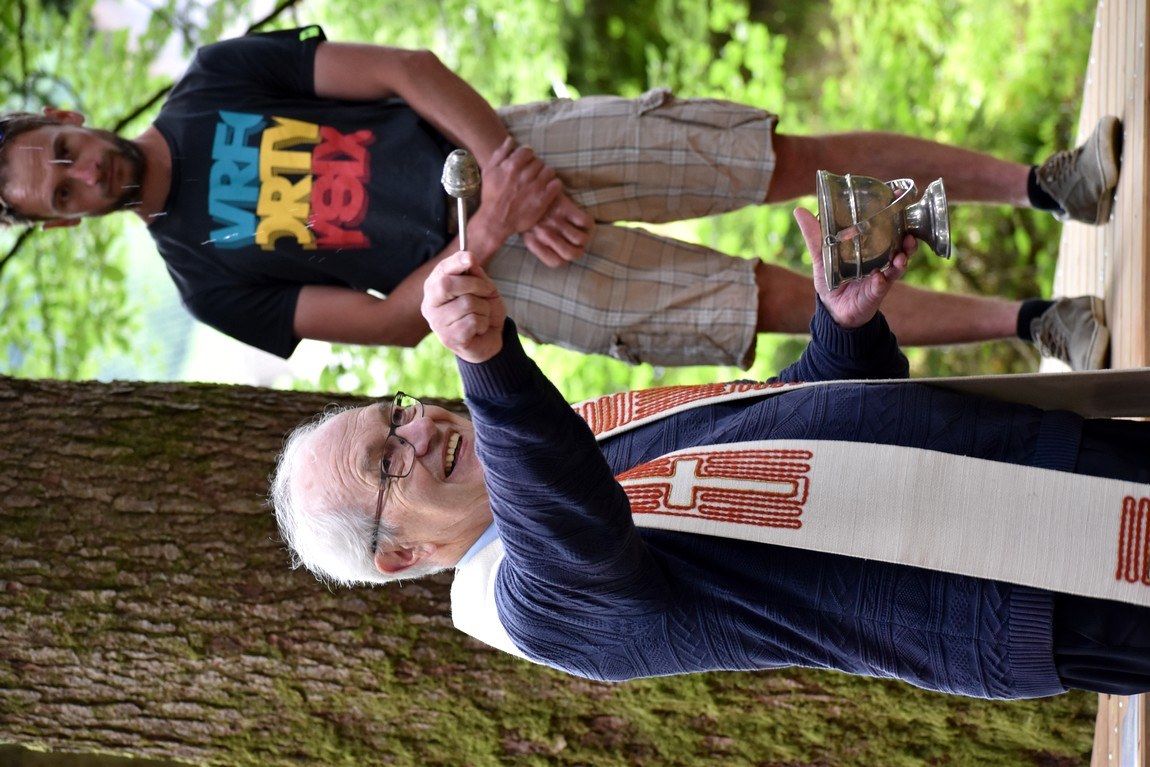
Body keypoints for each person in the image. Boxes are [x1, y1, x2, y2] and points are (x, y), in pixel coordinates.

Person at [271, 207, 1150, 700]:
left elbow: (792, 424)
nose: (420, 430)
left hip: (1015, 453)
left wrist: (842, 329)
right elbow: (574, 530)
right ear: (402, 555)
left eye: (395, 414)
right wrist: (489, 362)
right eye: (387, 463)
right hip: (1021, 580)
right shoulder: (522, 605)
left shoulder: (585, 435)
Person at [0, 26, 1120, 369]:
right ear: (59, 222)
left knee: (786, 163)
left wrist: (504, 167)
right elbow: (388, 324)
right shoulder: (203, 281)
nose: (79, 173)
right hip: (510, 278)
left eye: (59, 152)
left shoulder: (213, 83)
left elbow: (404, 73)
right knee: (779, 301)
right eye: (57, 194)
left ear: (64, 119)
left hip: (520, 147)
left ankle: (1043, 186)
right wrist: (486, 233)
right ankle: (1035, 323)